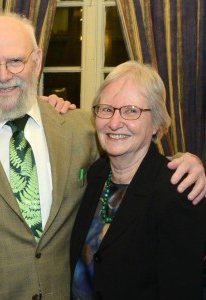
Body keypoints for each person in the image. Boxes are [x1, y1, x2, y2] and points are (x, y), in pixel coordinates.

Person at [0, 11, 204, 300]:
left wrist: (185, 162)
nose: (3, 75)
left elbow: (135, 155)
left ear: (37, 61)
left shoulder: (84, 129)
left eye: (16, 61)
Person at [70, 61, 206, 300]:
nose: (114, 122)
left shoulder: (178, 191)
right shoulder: (96, 174)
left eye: (131, 110)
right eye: (106, 109)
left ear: (156, 124)